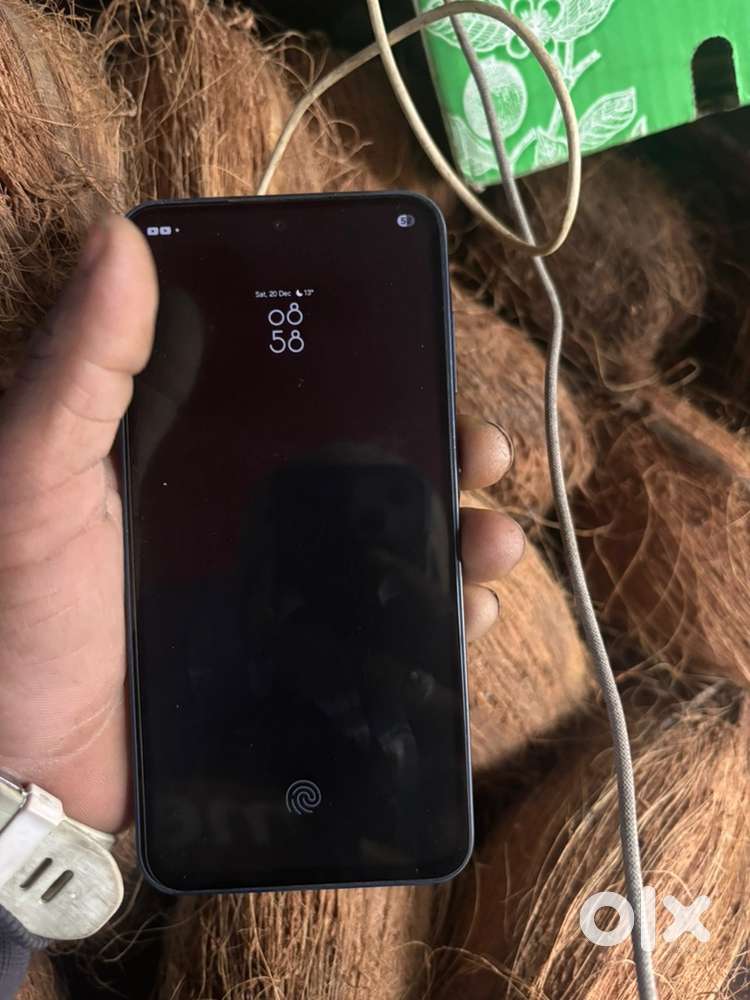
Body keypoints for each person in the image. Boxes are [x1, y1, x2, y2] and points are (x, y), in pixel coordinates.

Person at [0, 216, 525, 997]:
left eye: (374, 522)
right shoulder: (194, 640)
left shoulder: (359, 675)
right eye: (311, 525)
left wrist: (31, 780)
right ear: (258, 542)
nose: (341, 553)